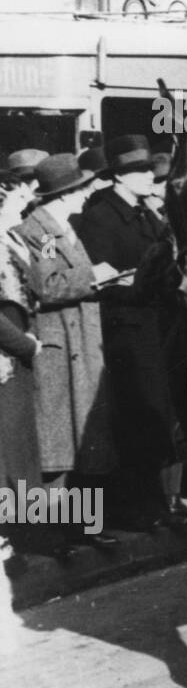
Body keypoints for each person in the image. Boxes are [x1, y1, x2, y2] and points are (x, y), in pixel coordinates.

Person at [76, 135, 187, 529]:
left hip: (156, 325)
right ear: (120, 177)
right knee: (139, 417)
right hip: (126, 330)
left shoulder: (148, 214)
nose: (148, 175)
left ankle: (156, 504)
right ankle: (138, 509)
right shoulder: (101, 217)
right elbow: (100, 279)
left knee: (159, 416)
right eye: (139, 170)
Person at [13, 155, 119, 556]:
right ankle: (55, 537)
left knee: (84, 444)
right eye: (81, 188)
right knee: (59, 449)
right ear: (66, 193)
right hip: (60, 351)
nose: (86, 193)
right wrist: (97, 277)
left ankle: (84, 530)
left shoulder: (62, 228)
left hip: (81, 348)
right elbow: (49, 285)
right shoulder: (40, 231)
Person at [0, 169, 42, 560]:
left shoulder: (12, 239)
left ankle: (17, 535)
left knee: (17, 452)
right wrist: (26, 345)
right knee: (7, 452)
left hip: (16, 359)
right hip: (6, 359)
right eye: (17, 200)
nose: (25, 206)